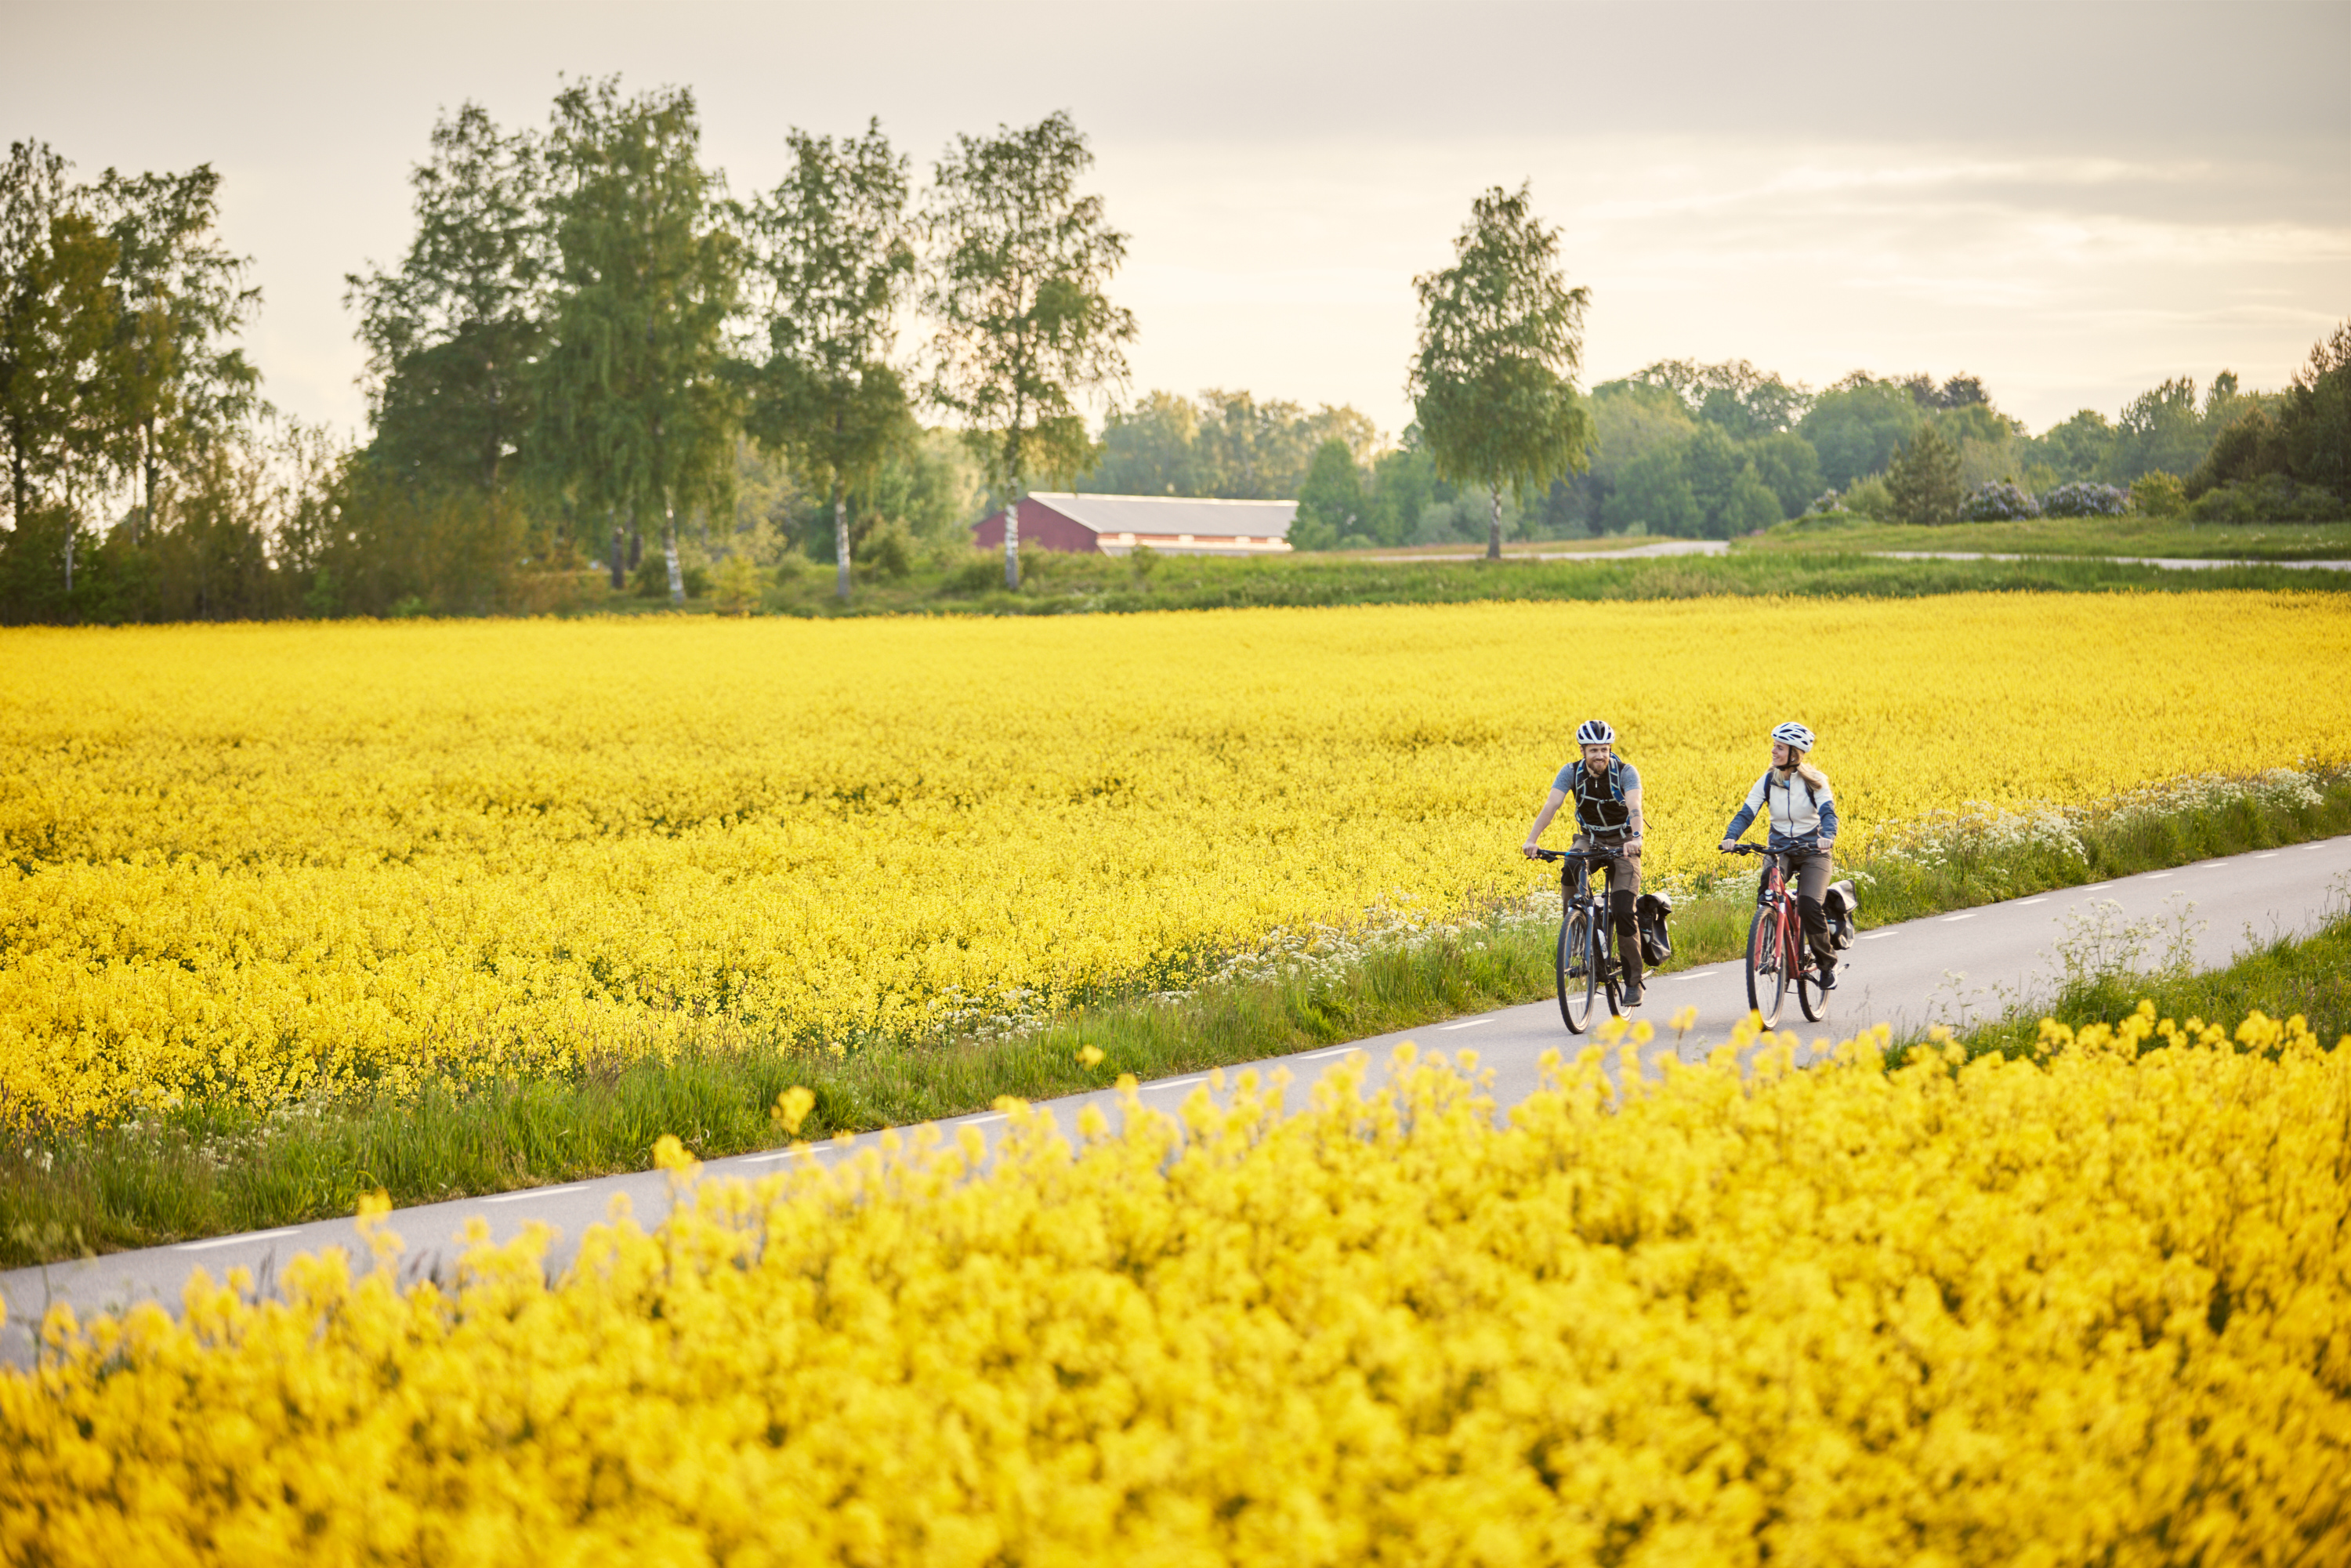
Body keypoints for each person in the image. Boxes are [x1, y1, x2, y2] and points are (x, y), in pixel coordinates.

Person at [1522, 718, 1649, 1005]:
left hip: (1623, 842)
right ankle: (1577, 927)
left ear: (1610, 749)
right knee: (1570, 865)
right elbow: (1551, 805)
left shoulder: (1626, 772)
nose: (1600, 756)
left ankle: (1634, 980)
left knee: (1623, 908)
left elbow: (1634, 807)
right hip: (1590, 839)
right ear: (1583, 751)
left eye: (1604, 749)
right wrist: (1532, 840)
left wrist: (1637, 837)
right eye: (1594, 750)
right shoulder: (1571, 773)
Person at [1719, 721, 1842, 988]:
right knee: (1767, 893)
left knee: (1809, 904)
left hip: (1813, 852)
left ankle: (1826, 962)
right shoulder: (1767, 780)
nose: (1773, 751)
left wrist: (1827, 837)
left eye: (1779, 747)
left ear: (1795, 753)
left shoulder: (1815, 781)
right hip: (1779, 850)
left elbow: (1828, 814)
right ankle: (1771, 946)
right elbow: (1746, 813)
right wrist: (1731, 837)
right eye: (1774, 745)